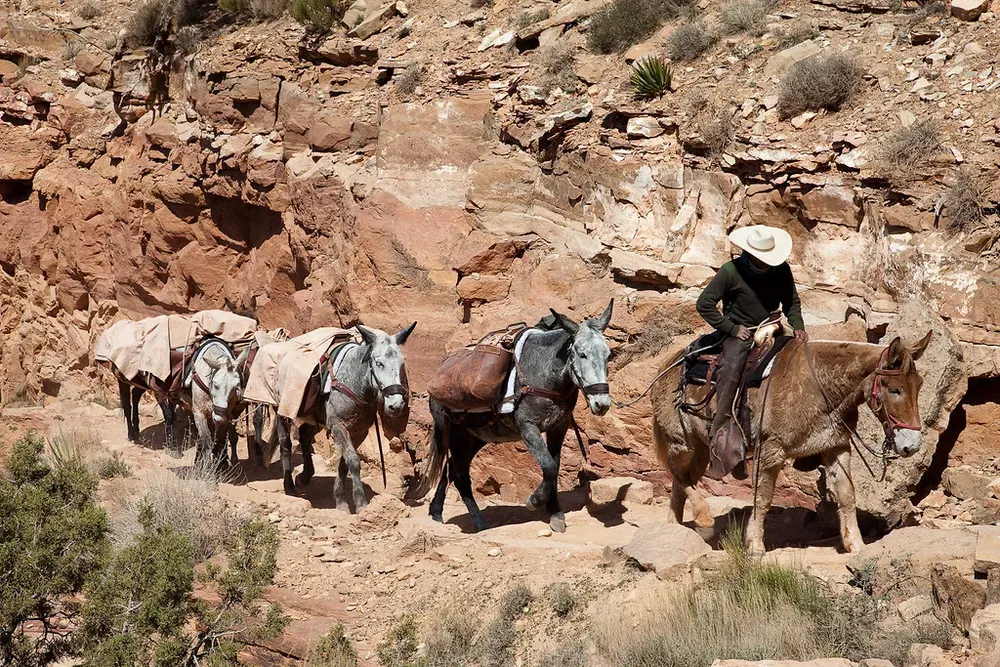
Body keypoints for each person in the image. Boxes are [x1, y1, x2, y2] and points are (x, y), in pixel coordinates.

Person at [696, 225, 806, 480]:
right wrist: (732, 329)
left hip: (772, 328)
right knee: (731, 369)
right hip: (740, 334)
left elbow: (792, 302)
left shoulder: (781, 270)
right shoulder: (730, 272)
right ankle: (721, 434)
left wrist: (798, 326)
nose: (767, 263)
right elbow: (705, 304)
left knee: (799, 363)